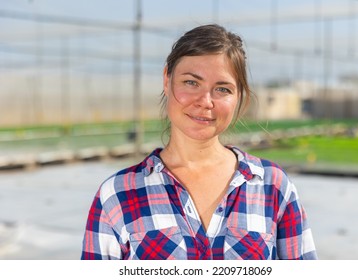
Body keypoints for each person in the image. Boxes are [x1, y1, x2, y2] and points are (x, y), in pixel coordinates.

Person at [81, 24, 318, 260]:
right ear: (167, 80)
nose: (205, 101)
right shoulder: (117, 195)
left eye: (222, 89)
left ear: (238, 96)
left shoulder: (272, 186)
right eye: (191, 82)